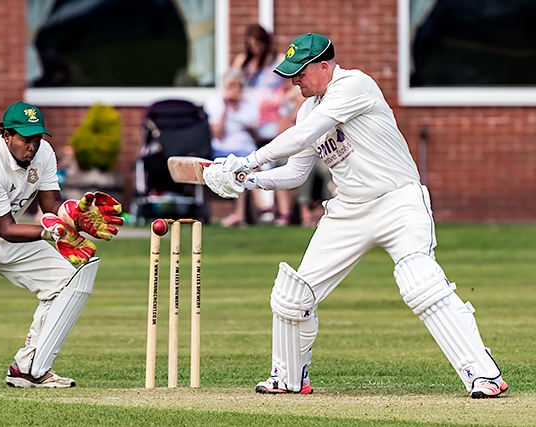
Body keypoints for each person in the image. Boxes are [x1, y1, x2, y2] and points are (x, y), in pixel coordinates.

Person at [203, 33, 508, 398]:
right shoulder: (307, 109)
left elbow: (304, 137)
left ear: (324, 66)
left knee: (420, 283)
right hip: (348, 210)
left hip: (397, 202)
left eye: (301, 72)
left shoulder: (355, 84)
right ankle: (287, 377)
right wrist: (247, 180)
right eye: (291, 74)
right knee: (293, 296)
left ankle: (484, 374)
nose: (295, 80)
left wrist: (249, 159)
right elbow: (297, 172)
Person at [0, 101, 124, 390]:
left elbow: (51, 203)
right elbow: (6, 229)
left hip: (7, 233)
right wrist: (49, 232)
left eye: (37, 138)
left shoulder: (43, 154)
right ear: (6, 135)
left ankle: (30, 368)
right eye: (25, 139)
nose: (32, 146)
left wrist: (75, 215)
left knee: (74, 274)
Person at [232, 24, 291, 225]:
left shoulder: (279, 61)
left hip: (273, 124)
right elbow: (232, 87)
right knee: (249, 161)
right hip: (248, 124)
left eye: (258, 44)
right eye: (251, 45)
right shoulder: (243, 62)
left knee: (274, 160)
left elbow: (295, 88)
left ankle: (280, 211)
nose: (255, 48)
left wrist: (283, 102)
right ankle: (262, 209)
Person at [203, 68, 259, 226]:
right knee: (241, 169)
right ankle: (256, 211)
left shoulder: (249, 105)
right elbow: (218, 134)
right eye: (232, 85)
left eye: (239, 86)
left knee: (247, 167)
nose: (236, 89)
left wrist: (251, 128)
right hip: (223, 150)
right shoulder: (215, 103)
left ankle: (251, 212)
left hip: (247, 150)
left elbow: (256, 135)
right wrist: (226, 108)